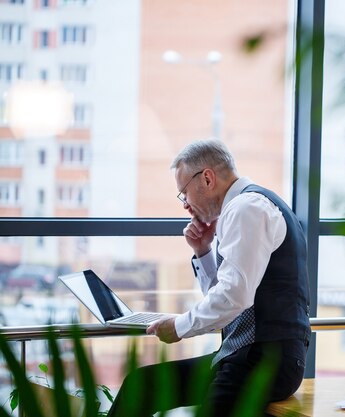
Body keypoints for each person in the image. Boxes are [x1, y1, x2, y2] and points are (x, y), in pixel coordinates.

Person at [107, 139, 311, 417]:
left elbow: (234, 296)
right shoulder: (247, 207)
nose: (186, 206)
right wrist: (203, 251)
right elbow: (230, 298)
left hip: (265, 360)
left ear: (206, 178)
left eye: (184, 193)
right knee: (140, 385)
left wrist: (179, 327)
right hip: (242, 355)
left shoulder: (246, 208)